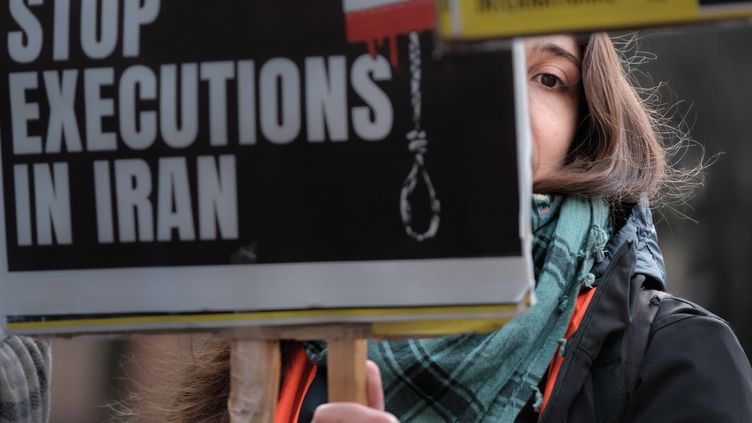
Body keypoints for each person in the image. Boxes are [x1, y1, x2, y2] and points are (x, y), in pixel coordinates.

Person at [131, 33, 752, 422]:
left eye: (547, 78)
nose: (501, 99)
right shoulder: (272, 356)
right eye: (464, 62)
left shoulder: (676, 362)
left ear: (584, 128)